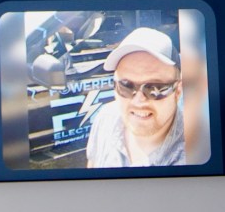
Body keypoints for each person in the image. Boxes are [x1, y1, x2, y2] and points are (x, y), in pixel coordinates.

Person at [80, 26, 188, 169]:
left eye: (154, 88)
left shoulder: (195, 157)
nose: (139, 101)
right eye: (126, 86)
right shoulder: (106, 118)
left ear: (178, 91)